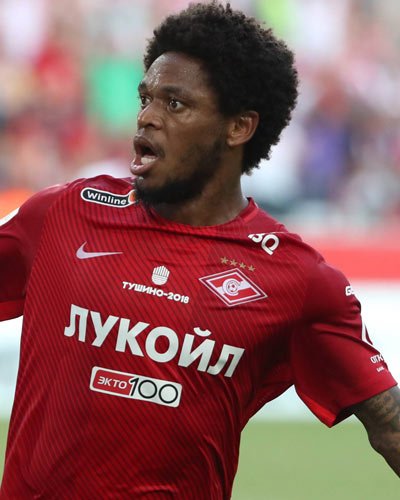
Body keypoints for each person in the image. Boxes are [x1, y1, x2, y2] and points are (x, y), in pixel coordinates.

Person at [0, 2, 399, 498]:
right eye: (146, 98)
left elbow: (390, 428)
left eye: (175, 104)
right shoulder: (62, 214)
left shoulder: (298, 279)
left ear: (239, 128)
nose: (146, 117)